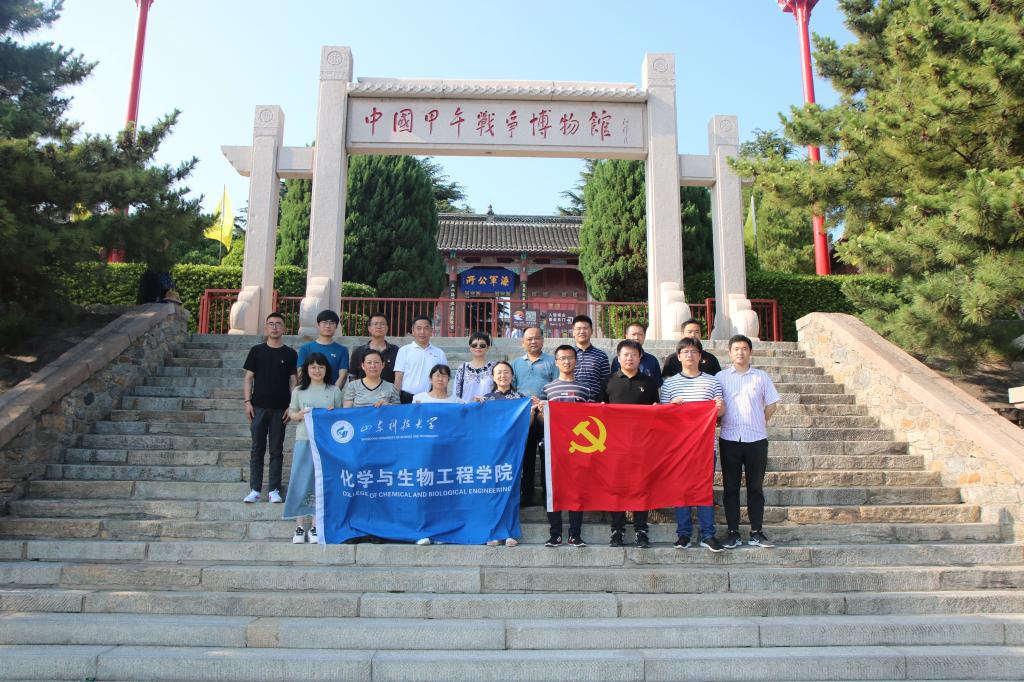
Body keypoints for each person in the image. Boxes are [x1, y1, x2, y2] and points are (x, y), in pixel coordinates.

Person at [659, 337, 725, 552]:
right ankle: (683, 534)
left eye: (694, 351)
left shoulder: (713, 382)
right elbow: (662, 417)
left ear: (700, 356)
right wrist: (671, 406)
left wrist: (719, 407)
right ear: (678, 357)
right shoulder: (669, 384)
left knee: (704, 489)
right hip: (678, 447)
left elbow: (721, 413)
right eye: (685, 352)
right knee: (681, 490)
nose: (690, 355)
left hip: (705, 447)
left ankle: (708, 534)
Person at [718, 334, 781, 549]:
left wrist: (760, 421)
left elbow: (772, 404)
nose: (740, 352)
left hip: (756, 439)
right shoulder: (721, 377)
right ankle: (733, 532)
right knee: (730, 487)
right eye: (736, 349)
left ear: (750, 352)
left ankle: (756, 532)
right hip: (729, 439)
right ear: (729, 353)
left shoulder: (761, 377)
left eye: (744, 348)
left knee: (755, 487)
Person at [601, 339, 660, 548]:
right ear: (618, 358)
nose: (629, 358)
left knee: (640, 486)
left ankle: (641, 529)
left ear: (639, 358)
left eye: (634, 355)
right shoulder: (608, 382)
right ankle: (617, 529)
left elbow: (657, 411)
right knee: (616, 487)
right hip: (614, 445)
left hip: (642, 445)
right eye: (625, 354)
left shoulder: (649, 383)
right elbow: (599, 411)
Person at [283, 353, 344, 544]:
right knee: (300, 479)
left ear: (327, 370)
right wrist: (300, 414)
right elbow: (291, 412)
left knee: (321, 482)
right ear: (307, 370)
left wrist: (333, 414)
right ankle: (300, 526)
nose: (317, 371)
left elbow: (341, 416)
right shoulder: (299, 391)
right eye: (313, 367)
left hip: (326, 444)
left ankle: (317, 525)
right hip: (304, 440)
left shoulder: (334, 391)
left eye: (321, 367)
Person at [536, 344, 592, 548]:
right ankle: (555, 534)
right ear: (556, 362)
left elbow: (592, 417)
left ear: (575, 361)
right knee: (553, 489)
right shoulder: (547, 389)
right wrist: (542, 413)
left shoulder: (585, 388)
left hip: (578, 448)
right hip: (553, 447)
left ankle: (575, 534)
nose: (566, 361)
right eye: (562, 358)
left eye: (570, 358)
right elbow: (541, 420)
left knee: (577, 489)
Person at [242, 312, 297, 504]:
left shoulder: (290, 354)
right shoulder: (256, 351)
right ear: (265, 328)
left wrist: (291, 406)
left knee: (276, 449)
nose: (274, 327)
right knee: (257, 448)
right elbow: (248, 378)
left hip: (280, 409)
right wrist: (247, 402)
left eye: (278, 324)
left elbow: (293, 381)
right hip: (258, 407)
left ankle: (274, 489)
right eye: (271, 324)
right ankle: (255, 489)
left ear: (284, 328)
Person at [511, 326, 557, 507]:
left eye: (537, 338)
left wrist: (543, 402)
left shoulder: (552, 361)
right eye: (529, 339)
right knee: (527, 454)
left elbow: (556, 386)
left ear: (542, 340)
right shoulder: (515, 364)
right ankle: (527, 493)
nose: (533, 341)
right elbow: (513, 389)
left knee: (547, 455)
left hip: (546, 413)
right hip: (525, 414)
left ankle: (548, 494)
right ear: (523, 342)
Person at [394, 316, 448, 400]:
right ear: (413, 331)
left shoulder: (440, 353)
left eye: (426, 328)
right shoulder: (404, 350)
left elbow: (444, 378)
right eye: (419, 328)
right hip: (407, 397)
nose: (422, 332)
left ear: (431, 331)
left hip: (430, 398)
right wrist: (395, 400)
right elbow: (398, 378)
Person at [349, 312, 400, 384]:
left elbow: (399, 376)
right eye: (375, 324)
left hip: (388, 390)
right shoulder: (358, 351)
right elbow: (353, 376)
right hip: (363, 391)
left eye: (382, 324)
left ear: (387, 328)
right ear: (369, 328)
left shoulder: (396, 350)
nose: (379, 327)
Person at [571, 314, 610, 400]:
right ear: (573, 332)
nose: (582, 331)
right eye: (578, 329)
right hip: (571, 401)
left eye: (585, 328)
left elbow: (606, 382)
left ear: (591, 331)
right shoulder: (568, 355)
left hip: (594, 402)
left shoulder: (601, 356)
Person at [610, 322, 662, 386]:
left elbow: (657, 385)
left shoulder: (652, 360)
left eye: (640, 334)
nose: (636, 337)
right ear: (626, 336)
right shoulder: (618, 360)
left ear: (644, 337)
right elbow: (613, 382)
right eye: (633, 334)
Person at [452, 332, 495, 402]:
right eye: (474, 345)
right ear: (470, 348)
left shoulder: (494, 367)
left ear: (487, 348)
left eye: (482, 345)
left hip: (488, 407)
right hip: (466, 407)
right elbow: (456, 393)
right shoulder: (462, 368)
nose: (478, 347)